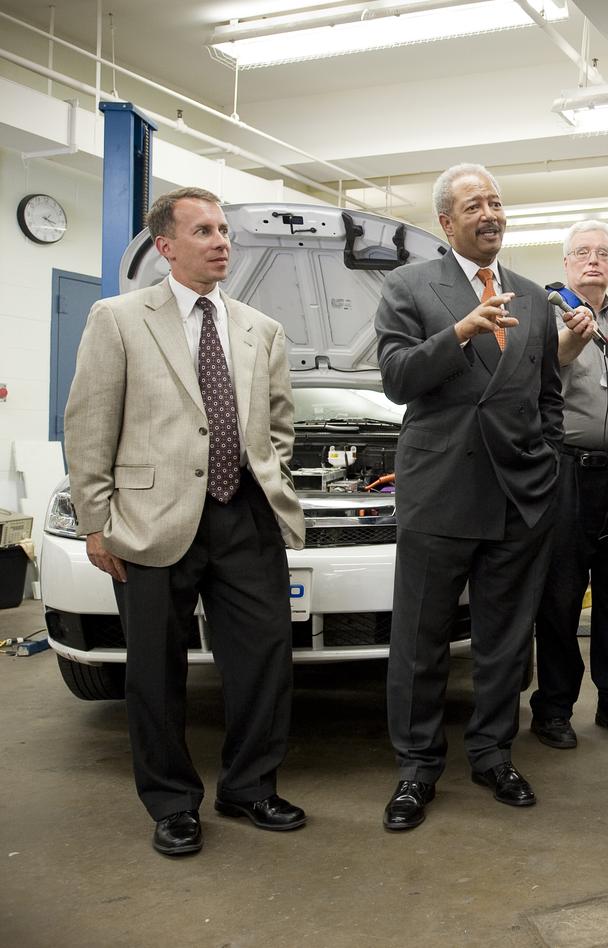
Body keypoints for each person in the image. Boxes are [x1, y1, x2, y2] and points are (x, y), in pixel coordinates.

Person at [64, 187, 308, 856]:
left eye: (224, 229)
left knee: (265, 660)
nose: (221, 240)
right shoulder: (117, 318)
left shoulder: (262, 329)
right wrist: (95, 519)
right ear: (166, 246)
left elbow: (280, 423)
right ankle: (172, 803)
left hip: (245, 518)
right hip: (148, 520)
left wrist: (273, 478)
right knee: (154, 671)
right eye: (203, 230)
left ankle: (249, 787)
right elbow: (88, 423)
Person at [375, 163, 563, 829]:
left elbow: (547, 399)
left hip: (520, 494)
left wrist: (546, 466)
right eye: (474, 205)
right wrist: (459, 332)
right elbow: (397, 377)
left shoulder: (536, 299)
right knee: (421, 640)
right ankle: (417, 766)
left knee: (504, 641)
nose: (490, 213)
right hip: (440, 489)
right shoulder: (407, 286)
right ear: (446, 223)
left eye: (496, 201)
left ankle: (492, 752)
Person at [528, 220, 608, 749]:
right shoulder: (546, 313)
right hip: (567, 474)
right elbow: (536, 374)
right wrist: (570, 340)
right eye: (582, 252)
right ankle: (553, 708)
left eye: (603, 253)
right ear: (566, 263)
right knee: (559, 598)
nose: (593, 261)